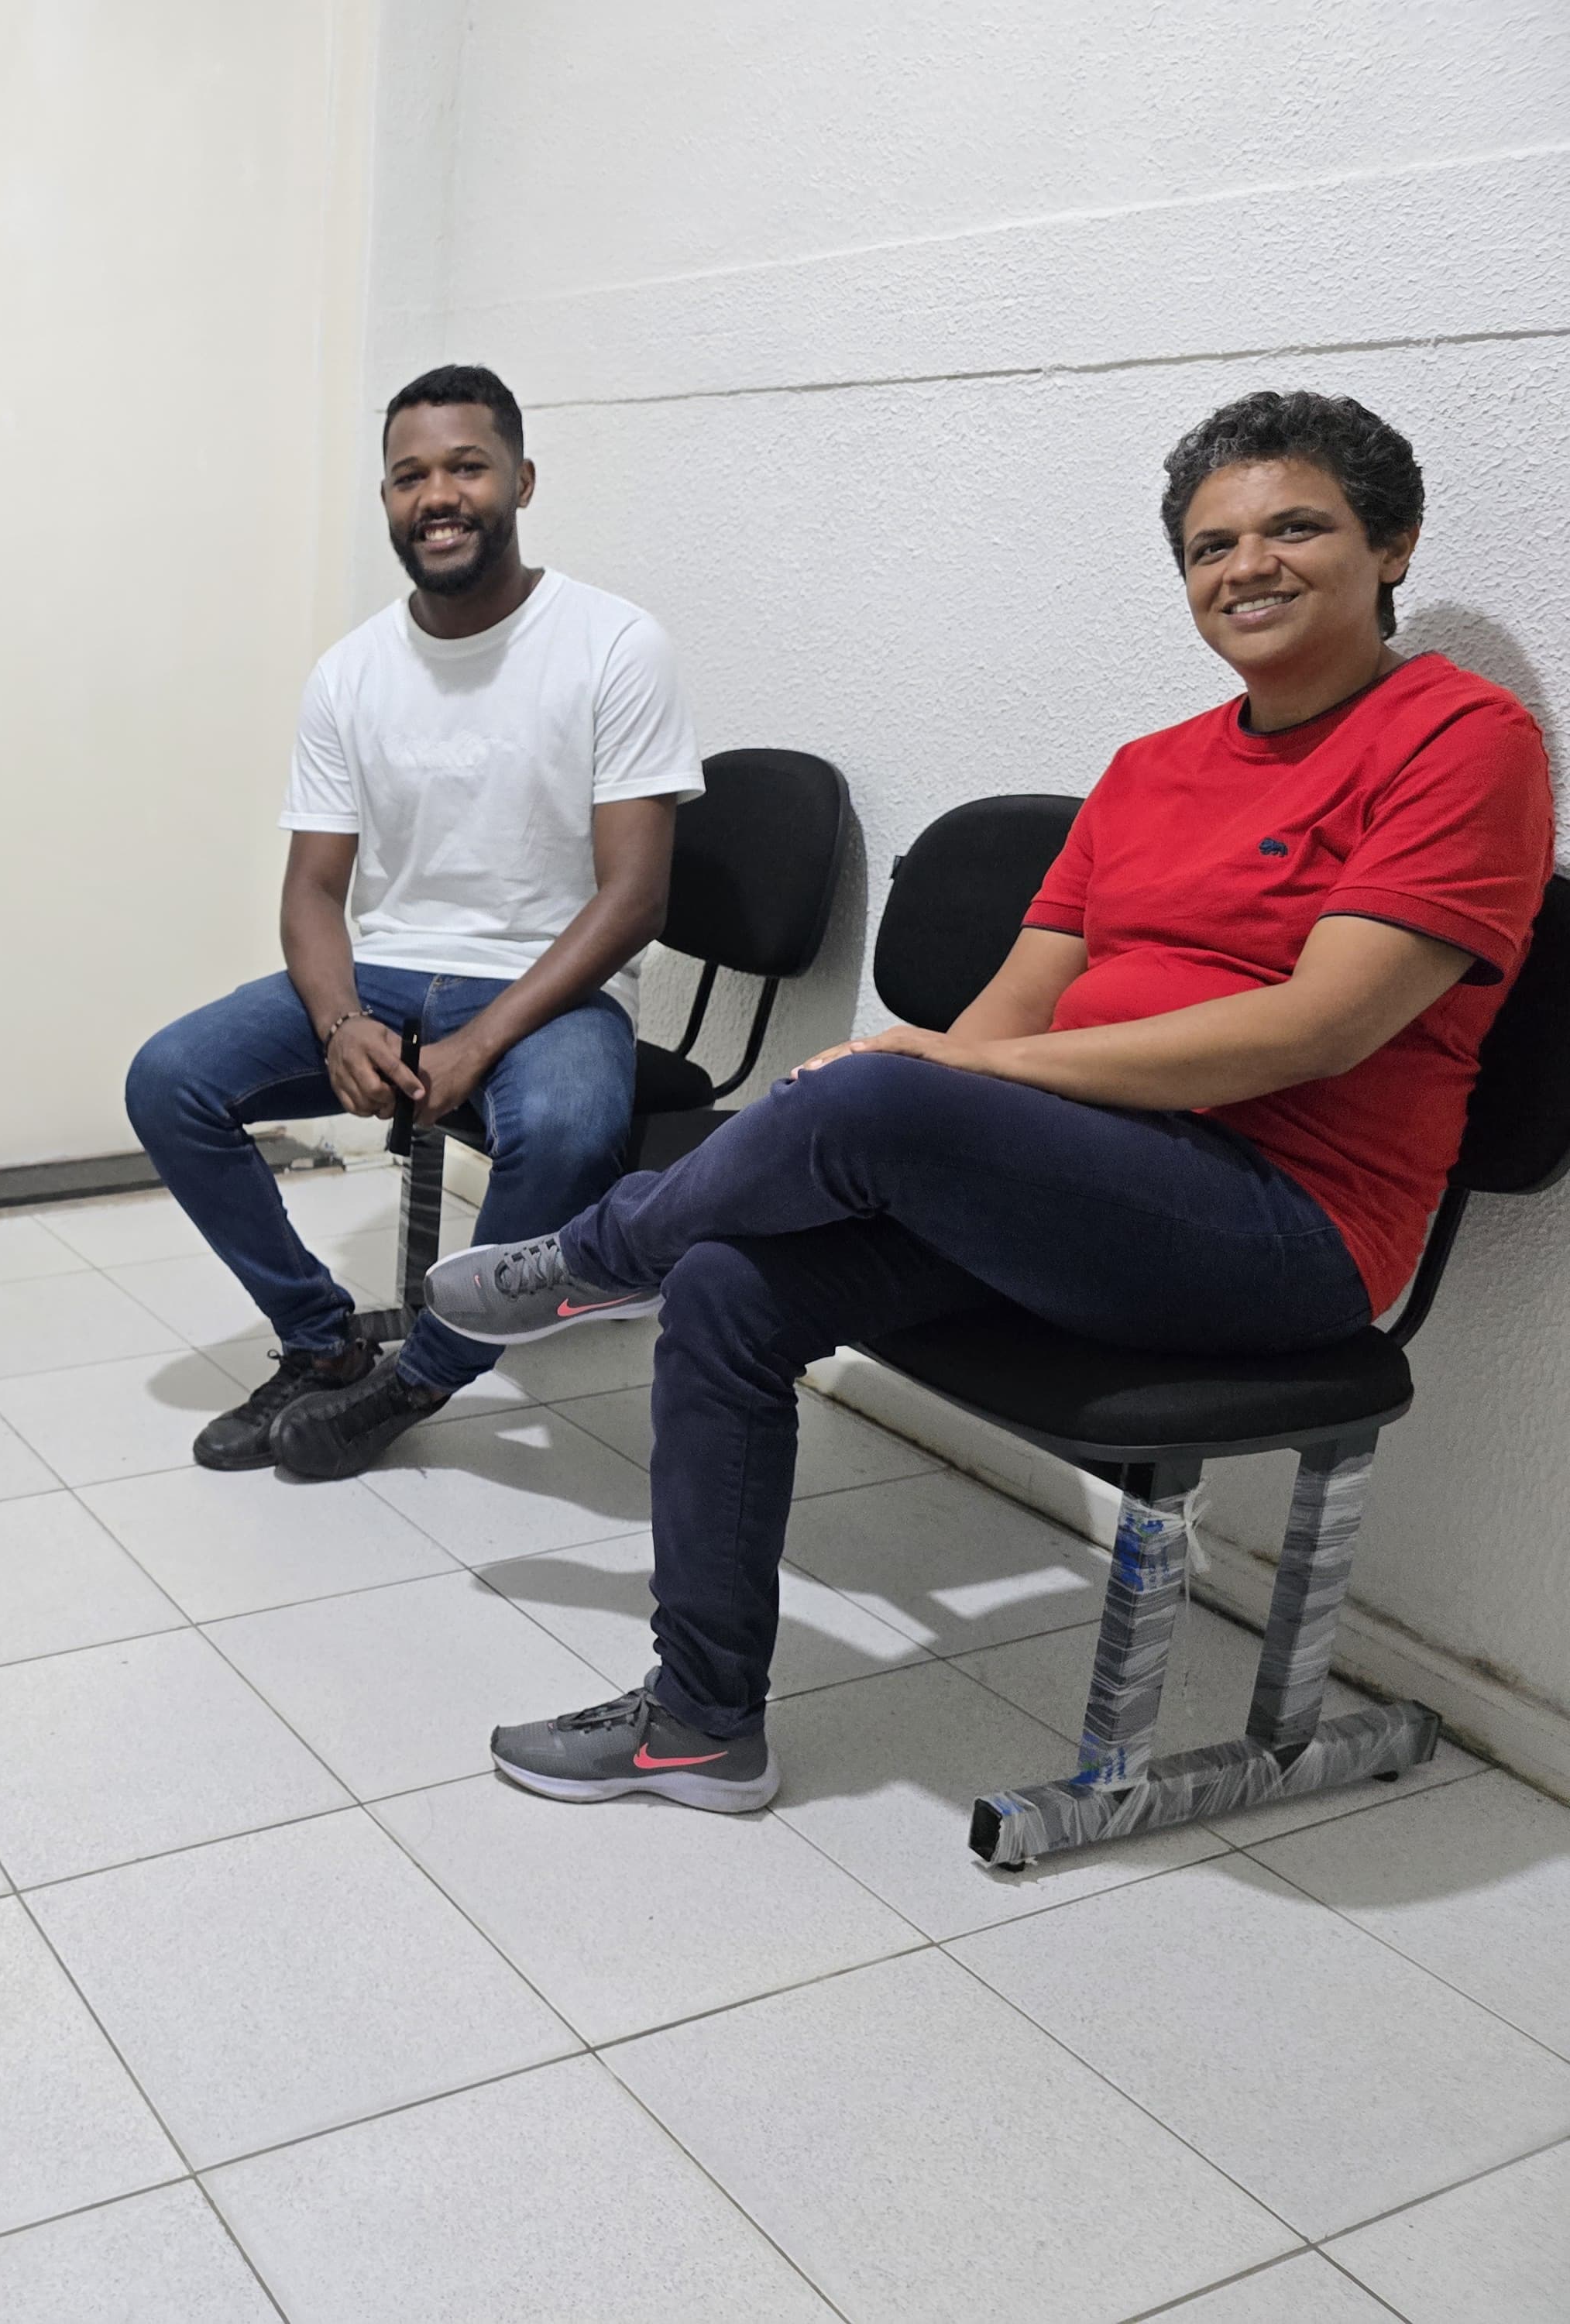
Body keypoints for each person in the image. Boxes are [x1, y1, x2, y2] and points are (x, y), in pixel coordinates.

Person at [435, 389, 1554, 1811]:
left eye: (1295, 529)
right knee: (729, 1283)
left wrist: (934, 1087)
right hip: (1086, 1185)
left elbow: (1316, 1029)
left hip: (1286, 1232)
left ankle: (598, 1257)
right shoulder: (1149, 770)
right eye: (1210, 548)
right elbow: (1009, 1015)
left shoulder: (1461, 739)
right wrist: (929, 1084)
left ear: (1390, 547)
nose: (1247, 568)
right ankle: (701, 1724)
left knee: (879, 1098)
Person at [125, 363, 703, 1481]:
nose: (437, 496)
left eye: (466, 467)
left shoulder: (614, 645)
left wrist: (480, 1042)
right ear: (388, 499)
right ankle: (322, 1342)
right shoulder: (350, 673)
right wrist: (341, 1023)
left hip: (552, 989)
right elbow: (312, 892)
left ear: (521, 481)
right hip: (389, 975)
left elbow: (635, 898)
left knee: (570, 1129)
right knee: (169, 1080)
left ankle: (416, 1379)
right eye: (409, 476)